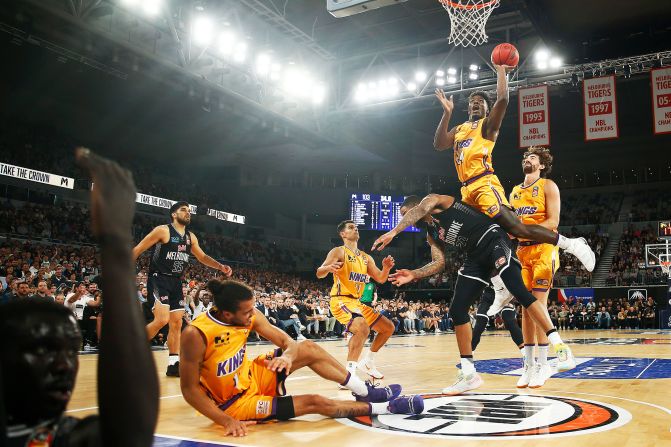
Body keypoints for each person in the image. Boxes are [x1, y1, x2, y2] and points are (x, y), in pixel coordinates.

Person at [1, 147, 158, 446]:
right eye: (44, 348)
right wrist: (115, 242)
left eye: (71, 351)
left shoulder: (64, 436)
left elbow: (131, 434)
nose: (64, 365)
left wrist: (117, 239)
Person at [372, 194, 576, 395]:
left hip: (492, 237)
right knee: (457, 309)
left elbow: (421, 210)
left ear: (416, 207)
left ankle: (561, 348)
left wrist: (394, 232)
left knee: (518, 289)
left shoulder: (433, 200)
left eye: (405, 214)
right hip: (475, 257)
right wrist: (414, 273)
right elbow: (439, 262)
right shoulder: (430, 233)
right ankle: (469, 374)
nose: (404, 220)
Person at [179, 279, 423, 437]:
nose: (253, 314)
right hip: (233, 404)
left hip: (252, 375)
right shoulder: (195, 334)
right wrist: (225, 420)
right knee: (316, 401)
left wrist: (287, 356)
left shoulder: (249, 316)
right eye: (247, 312)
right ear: (227, 314)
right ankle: (386, 407)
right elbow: (190, 390)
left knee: (308, 347)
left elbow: (288, 341)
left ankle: (363, 390)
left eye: (253, 308)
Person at [432, 65, 595, 283]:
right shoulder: (460, 129)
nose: (475, 104)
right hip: (466, 189)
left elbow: (503, 100)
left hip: (483, 184)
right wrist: (447, 113)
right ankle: (499, 282)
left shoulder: (487, 126)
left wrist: (500, 71)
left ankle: (570, 244)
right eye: (472, 102)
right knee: (480, 236)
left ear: (488, 110)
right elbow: (439, 144)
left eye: (481, 102)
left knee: (516, 228)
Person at [133, 201, 233, 377]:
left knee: (177, 323)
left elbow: (201, 256)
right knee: (162, 319)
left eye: (189, 211)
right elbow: (139, 249)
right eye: (183, 210)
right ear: (173, 214)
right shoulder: (162, 230)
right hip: (159, 279)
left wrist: (219, 266)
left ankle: (173, 363)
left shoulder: (190, 237)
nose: (188, 213)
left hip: (176, 282)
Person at [490, 146, 562, 388]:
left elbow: (553, 221)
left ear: (541, 165)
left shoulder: (548, 185)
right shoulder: (514, 192)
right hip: (522, 252)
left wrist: (523, 231)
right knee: (525, 308)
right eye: (525, 157)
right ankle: (529, 365)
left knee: (538, 305)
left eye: (532, 157)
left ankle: (543, 364)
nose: (527, 159)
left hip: (543, 249)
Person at [316, 220, 396, 379]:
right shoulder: (338, 251)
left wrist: (386, 268)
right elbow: (319, 272)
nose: (356, 229)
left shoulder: (366, 258)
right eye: (351, 227)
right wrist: (328, 268)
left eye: (356, 227)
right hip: (340, 300)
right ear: (343, 234)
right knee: (362, 327)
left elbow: (380, 279)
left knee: (388, 328)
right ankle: (348, 375)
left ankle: (368, 362)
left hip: (356, 303)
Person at [470, 286, 524, 360]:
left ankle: (527, 356)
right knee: (480, 323)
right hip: (489, 296)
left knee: (509, 322)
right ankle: (468, 359)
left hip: (505, 295)